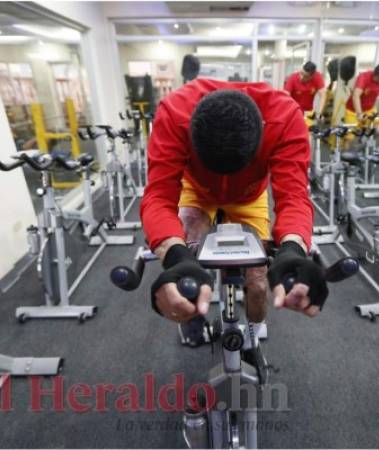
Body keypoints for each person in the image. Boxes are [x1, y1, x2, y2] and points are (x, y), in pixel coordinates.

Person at [140, 78, 329, 376]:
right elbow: (159, 195)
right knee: (188, 262)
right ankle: (194, 313)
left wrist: (293, 250)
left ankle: (253, 340)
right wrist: (175, 256)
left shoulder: (285, 116)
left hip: (249, 196)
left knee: (256, 281)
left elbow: (293, 196)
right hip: (197, 193)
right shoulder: (174, 112)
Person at [343, 62, 379, 140]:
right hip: (352, 110)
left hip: (370, 110)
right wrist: (359, 114)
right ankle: (340, 147)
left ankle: (364, 145)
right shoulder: (364, 77)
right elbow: (356, 95)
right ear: (378, 76)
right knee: (349, 137)